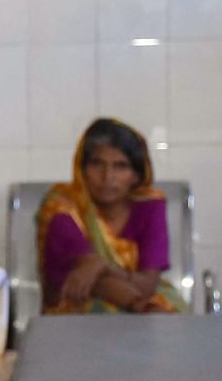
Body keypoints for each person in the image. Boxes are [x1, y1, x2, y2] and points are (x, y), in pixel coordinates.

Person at [38, 118, 185, 315]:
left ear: (137, 174)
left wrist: (103, 266)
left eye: (121, 166)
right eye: (97, 164)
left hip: (141, 312)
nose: (108, 177)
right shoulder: (61, 207)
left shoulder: (149, 206)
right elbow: (89, 279)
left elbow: (147, 285)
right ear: (81, 169)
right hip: (74, 317)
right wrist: (141, 305)